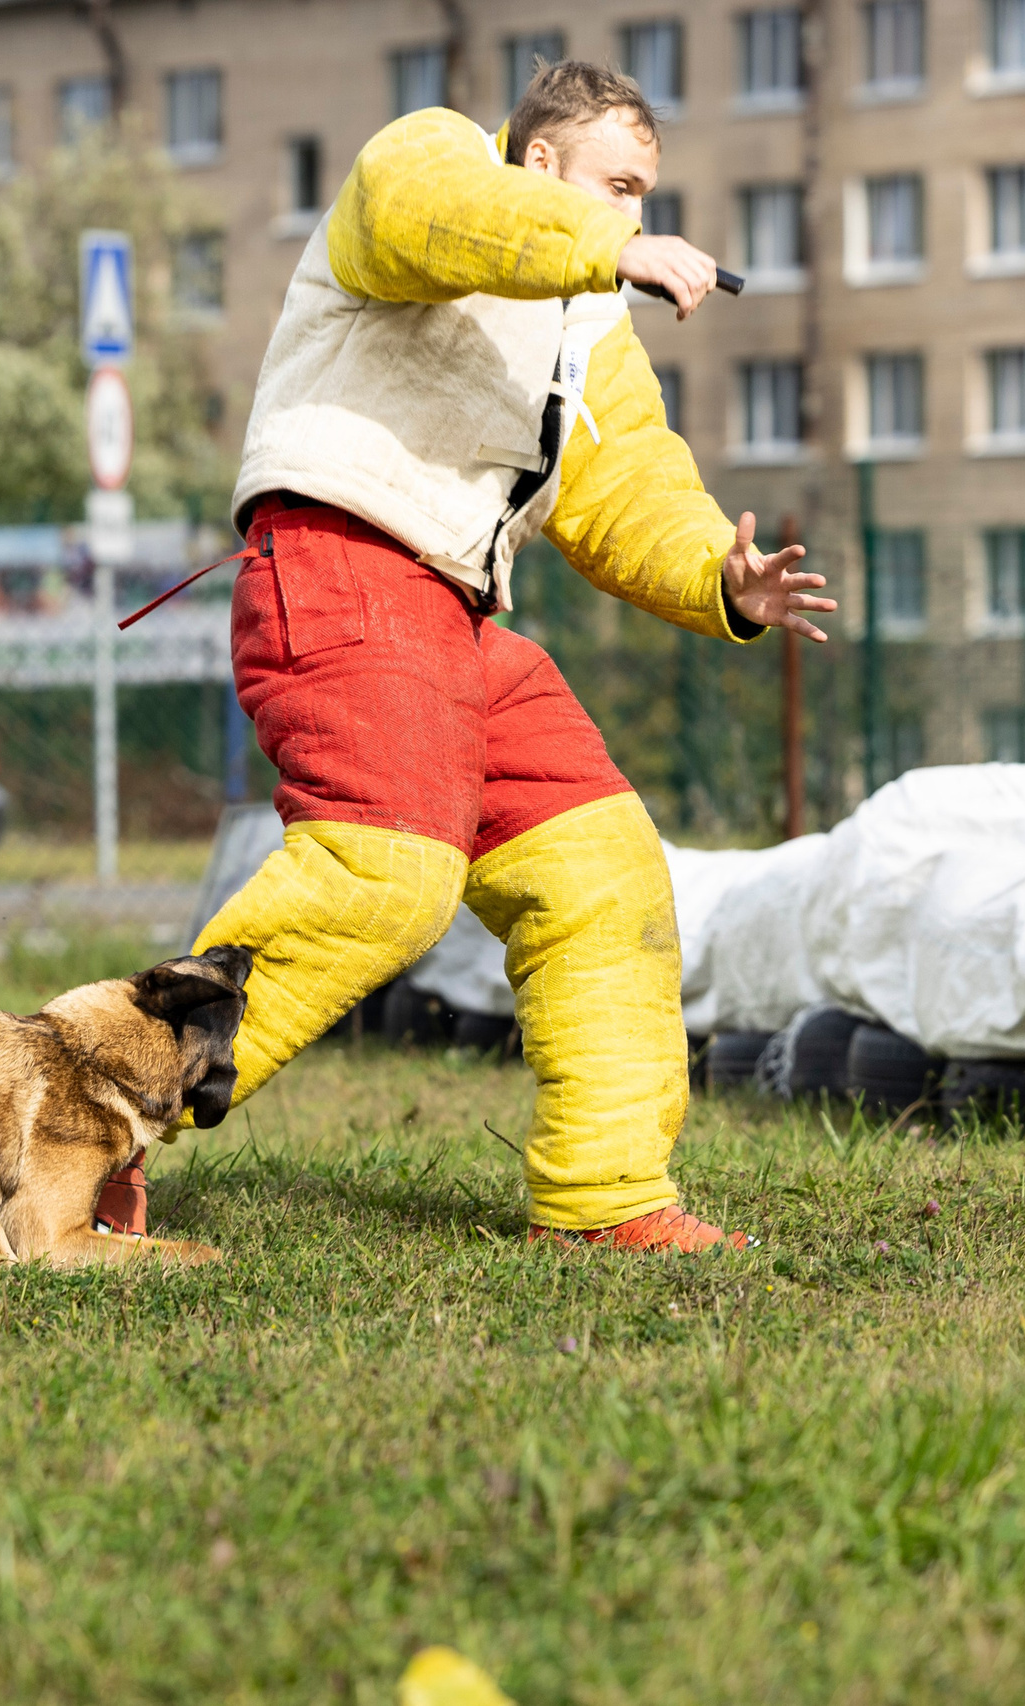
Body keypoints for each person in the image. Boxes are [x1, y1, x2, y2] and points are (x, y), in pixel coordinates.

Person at [184, 60, 832, 1251]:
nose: (634, 216)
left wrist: (716, 578)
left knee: (601, 872)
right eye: (619, 186)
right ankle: (77, 1118)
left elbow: (624, 482)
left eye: (645, 197)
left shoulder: (588, 319)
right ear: (542, 162)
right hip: (340, 564)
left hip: (454, 614)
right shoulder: (431, 165)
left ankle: (603, 1200)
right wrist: (605, 243)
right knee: (384, 873)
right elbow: (426, 217)